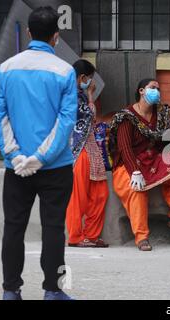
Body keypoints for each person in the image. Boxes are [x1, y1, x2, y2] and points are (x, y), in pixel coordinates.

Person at [0, 6, 77, 300]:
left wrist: (15, 156)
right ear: (56, 36)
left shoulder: (6, 69)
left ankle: (10, 291)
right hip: (56, 166)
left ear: (28, 33)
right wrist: (41, 157)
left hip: (17, 168)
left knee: (13, 228)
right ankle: (53, 291)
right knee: (54, 229)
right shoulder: (65, 72)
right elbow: (65, 122)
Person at [110, 78, 170, 251]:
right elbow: (124, 148)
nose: (157, 91)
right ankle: (141, 237)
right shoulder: (126, 117)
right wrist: (134, 171)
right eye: (152, 88)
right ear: (141, 91)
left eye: (158, 89)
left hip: (153, 159)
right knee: (136, 189)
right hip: (129, 163)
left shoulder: (162, 113)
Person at [66, 60, 109, 248]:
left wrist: (89, 95)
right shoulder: (69, 94)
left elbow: (90, 119)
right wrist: (90, 96)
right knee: (78, 195)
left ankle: (91, 235)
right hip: (78, 150)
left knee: (100, 193)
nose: (91, 82)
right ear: (82, 77)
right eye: (90, 78)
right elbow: (89, 117)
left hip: (91, 148)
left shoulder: (80, 95)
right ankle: (75, 236)